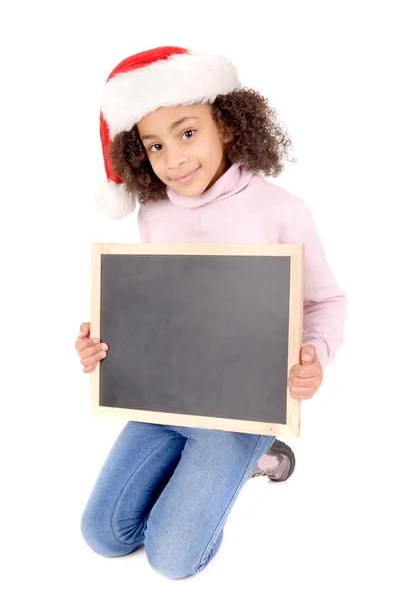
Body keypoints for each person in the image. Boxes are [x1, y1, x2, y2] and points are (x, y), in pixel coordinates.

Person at [75, 46, 348, 579]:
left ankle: (254, 455)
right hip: (163, 400)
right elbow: (162, 309)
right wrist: (105, 346)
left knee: (172, 561)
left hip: (240, 411)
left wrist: (314, 355)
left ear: (227, 125)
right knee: (103, 537)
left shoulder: (280, 209)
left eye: (187, 133)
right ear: (137, 154)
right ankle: (205, 470)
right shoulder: (153, 214)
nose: (174, 159)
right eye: (154, 144)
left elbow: (326, 301)